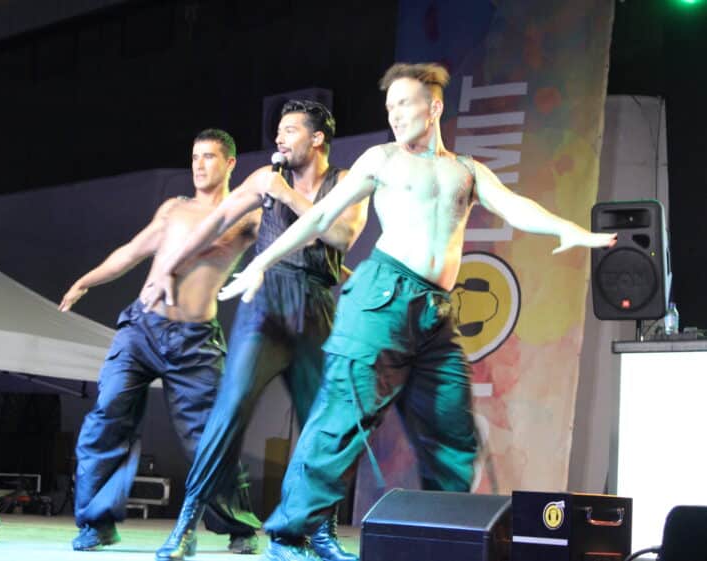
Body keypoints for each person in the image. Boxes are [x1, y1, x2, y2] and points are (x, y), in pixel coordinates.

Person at [218, 63, 618, 561]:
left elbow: (514, 206)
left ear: (434, 108)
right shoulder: (381, 159)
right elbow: (320, 216)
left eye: (404, 104)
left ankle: (445, 539)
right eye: (389, 108)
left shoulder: (466, 170)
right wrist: (261, 263)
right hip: (380, 301)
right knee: (341, 419)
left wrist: (567, 230)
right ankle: (289, 536)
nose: (394, 115)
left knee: (452, 430)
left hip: (435, 314)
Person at [144, 100, 368, 561]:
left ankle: (321, 533)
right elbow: (217, 221)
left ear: (317, 138)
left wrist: (285, 195)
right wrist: (170, 265)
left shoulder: (345, 182)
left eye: (290, 131)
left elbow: (341, 236)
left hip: (315, 303)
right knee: (228, 413)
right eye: (278, 131)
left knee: (322, 424)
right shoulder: (264, 177)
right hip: (264, 301)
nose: (279, 139)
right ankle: (186, 527)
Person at [59, 129, 262, 554]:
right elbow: (131, 251)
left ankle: (239, 526)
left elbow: (290, 240)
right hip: (141, 330)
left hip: (194, 343)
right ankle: (97, 523)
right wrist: (85, 281)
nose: (199, 165)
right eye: (194, 157)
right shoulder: (174, 209)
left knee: (208, 437)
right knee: (108, 413)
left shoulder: (245, 214)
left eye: (209, 156)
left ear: (229, 163)